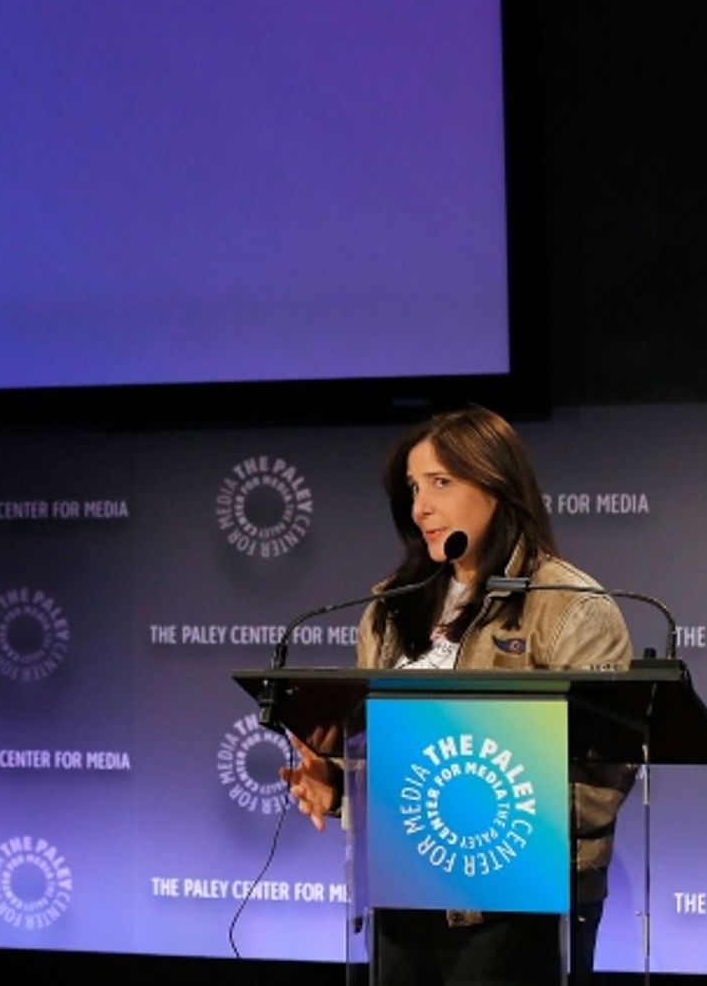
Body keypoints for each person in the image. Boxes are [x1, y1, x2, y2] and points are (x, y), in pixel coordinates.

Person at [284, 406, 634, 985]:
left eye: (441, 483)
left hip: (519, 910)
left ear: (497, 485)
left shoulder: (571, 608)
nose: (421, 506)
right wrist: (341, 784)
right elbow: (386, 762)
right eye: (414, 488)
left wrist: (459, 810)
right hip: (403, 899)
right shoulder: (392, 609)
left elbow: (599, 782)